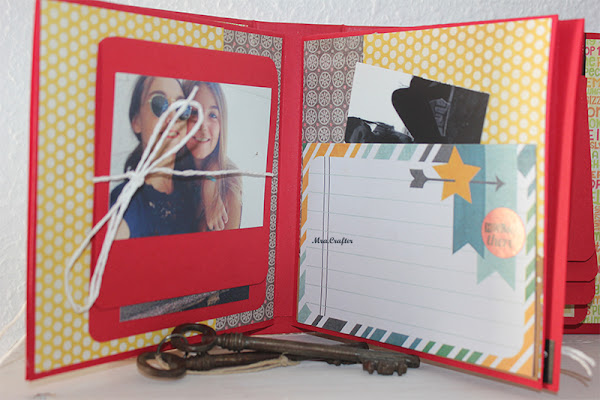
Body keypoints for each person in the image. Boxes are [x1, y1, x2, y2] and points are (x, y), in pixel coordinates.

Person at [110, 75, 196, 239]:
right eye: (159, 103)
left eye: (180, 107)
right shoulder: (126, 205)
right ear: (136, 121)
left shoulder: (194, 188)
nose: (172, 117)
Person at [179, 81, 242, 231]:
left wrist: (210, 180)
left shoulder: (229, 182)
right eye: (194, 112)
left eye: (213, 115)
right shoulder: (168, 172)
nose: (203, 126)